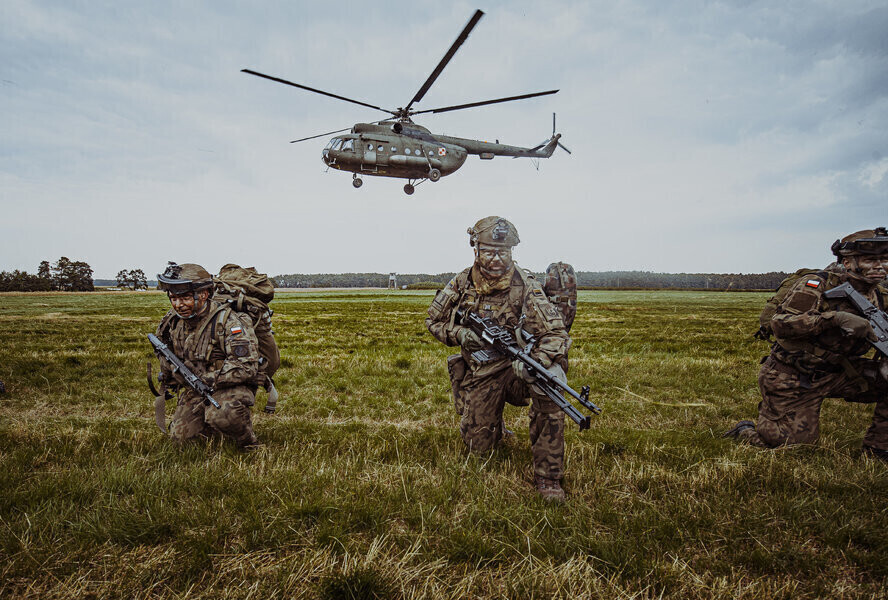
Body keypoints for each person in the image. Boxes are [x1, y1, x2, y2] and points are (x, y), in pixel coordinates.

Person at [426, 216, 572, 500]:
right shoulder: (462, 282)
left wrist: (536, 360)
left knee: (550, 386)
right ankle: (491, 420)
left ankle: (548, 477)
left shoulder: (526, 285)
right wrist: (459, 334)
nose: (496, 259)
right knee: (479, 449)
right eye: (489, 251)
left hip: (519, 369)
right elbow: (433, 320)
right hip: (483, 371)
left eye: (503, 252)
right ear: (476, 250)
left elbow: (556, 334)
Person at [725, 228, 888, 461]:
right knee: (795, 449)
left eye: (884, 260)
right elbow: (781, 324)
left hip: (841, 372)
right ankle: (745, 432)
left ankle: (878, 450)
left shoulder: (880, 295)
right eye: (870, 260)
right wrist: (834, 319)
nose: (880, 266)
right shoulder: (816, 285)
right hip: (795, 376)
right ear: (848, 262)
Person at [154, 262, 262, 449]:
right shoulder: (172, 322)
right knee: (180, 439)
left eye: (185, 298)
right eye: (173, 298)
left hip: (231, 386)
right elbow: (166, 353)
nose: (178, 305)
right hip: (196, 388)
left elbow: (246, 367)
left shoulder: (228, 321)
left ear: (203, 294)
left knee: (222, 414)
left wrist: (206, 379)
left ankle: (248, 443)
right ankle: (211, 428)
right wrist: (171, 375)